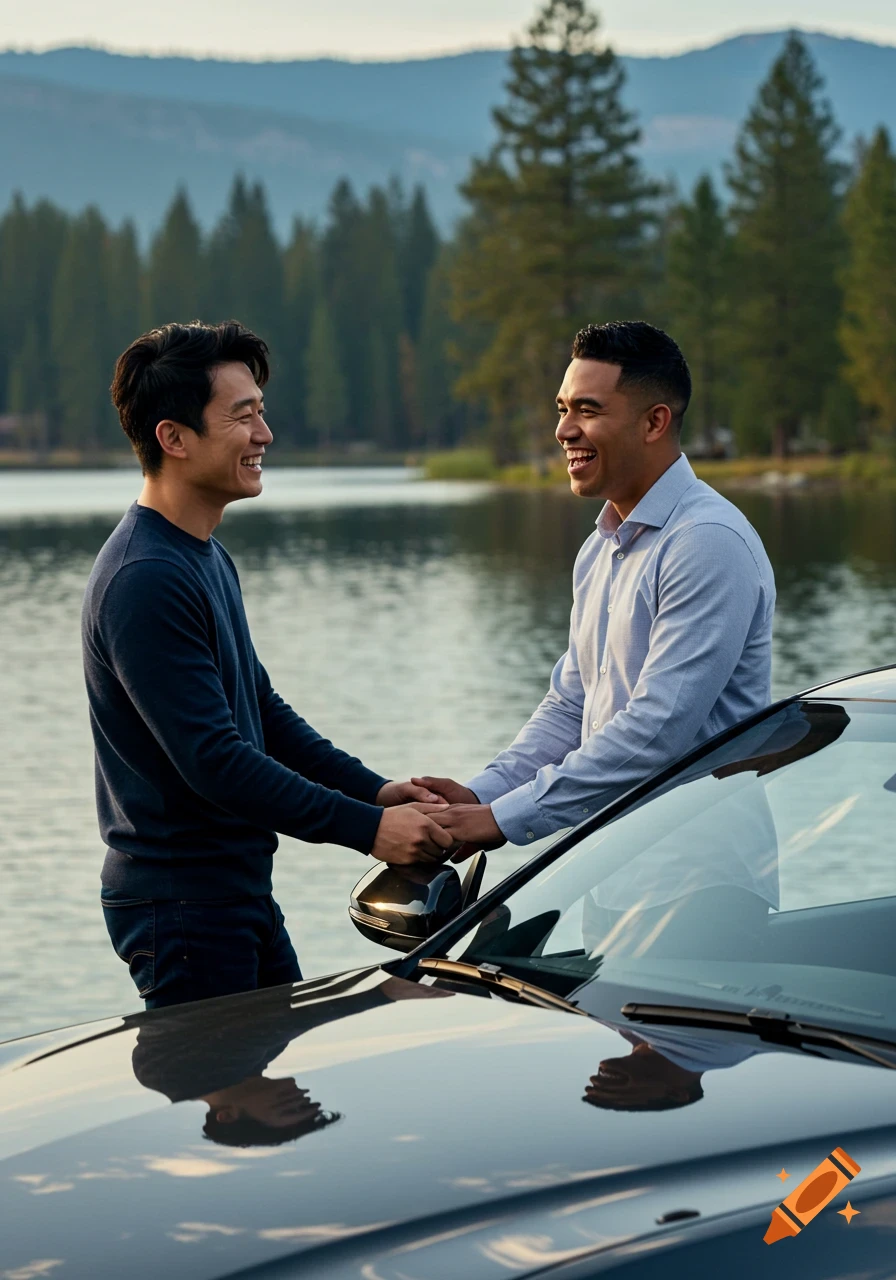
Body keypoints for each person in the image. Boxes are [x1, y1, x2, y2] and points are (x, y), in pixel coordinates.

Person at [83, 321, 452, 1011]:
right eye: (242, 415)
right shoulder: (145, 578)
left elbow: (262, 712)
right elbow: (215, 760)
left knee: (276, 1103)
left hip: (231, 889)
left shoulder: (202, 553)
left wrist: (376, 792)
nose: (265, 434)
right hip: (182, 908)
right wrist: (367, 830)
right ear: (175, 438)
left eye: (261, 411)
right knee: (242, 1108)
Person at [417, 321, 776, 851]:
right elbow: (570, 707)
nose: (563, 430)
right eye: (562, 409)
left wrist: (503, 819)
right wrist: (481, 796)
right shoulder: (602, 547)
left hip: (701, 873)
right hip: (611, 865)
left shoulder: (705, 541)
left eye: (587, 410)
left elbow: (658, 730)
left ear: (654, 422)